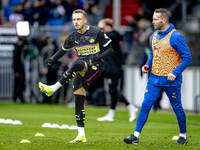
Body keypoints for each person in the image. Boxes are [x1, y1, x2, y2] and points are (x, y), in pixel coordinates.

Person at [38, 9, 113, 143]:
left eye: (78, 19)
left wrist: (97, 57)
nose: (76, 22)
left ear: (85, 20)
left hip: (96, 68)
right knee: (78, 103)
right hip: (81, 69)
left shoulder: (97, 32)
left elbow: (110, 49)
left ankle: (54, 88)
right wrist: (52, 59)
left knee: (77, 63)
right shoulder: (72, 36)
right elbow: (63, 51)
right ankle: (81, 135)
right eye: (73, 20)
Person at [124, 8, 192, 145]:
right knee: (145, 106)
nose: (153, 21)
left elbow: (187, 57)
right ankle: (135, 136)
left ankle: (183, 136)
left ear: (164, 20)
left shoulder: (176, 36)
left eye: (155, 19)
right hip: (154, 79)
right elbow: (153, 54)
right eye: (153, 18)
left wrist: (175, 72)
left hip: (171, 80)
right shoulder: (154, 35)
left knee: (177, 107)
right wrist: (147, 65)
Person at [96, 18, 138, 122]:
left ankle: (131, 107)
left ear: (108, 26)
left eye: (102, 27)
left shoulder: (111, 36)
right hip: (111, 67)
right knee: (112, 91)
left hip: (113, 68)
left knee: (113, 90)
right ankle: (111, 114)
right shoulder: (113, 35)